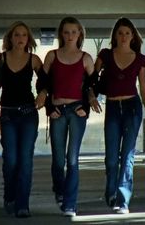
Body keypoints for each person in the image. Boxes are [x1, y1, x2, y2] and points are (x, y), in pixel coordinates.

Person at [94, 17, 145, 214]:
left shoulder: (139, 59)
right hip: (112, 108)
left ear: (132, 36)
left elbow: (144, 89)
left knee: (128, 155)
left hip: (132, 108)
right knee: (112, 157)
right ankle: (111, 191)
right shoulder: (105, 55)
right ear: (115, 35)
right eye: (120, 33)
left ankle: (123, 200)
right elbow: (91, 80)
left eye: (127, 33)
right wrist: (89, 96)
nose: (123, 36)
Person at [0, 21, 47, 218]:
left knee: (25, 160)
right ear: (10, 39)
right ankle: (9, 196)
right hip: (8, 115)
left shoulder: (34, 59)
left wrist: (43, 93)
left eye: (23, 35)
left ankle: (23, 205)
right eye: (16, 35)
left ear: (28, 38)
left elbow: (46, 82)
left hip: (29, 114)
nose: (20, 38)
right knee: (11, 160)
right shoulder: (1, 58)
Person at [43, 16, 101, 217]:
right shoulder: (51, 56)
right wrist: (49, 107)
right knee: (58, 160)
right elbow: (42, 84)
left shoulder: (86, 58)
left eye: (73, 32)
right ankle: (59, 190)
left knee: (72, 159)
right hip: (57, 111)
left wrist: (87, 104)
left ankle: (70, 204)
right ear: (61, 34)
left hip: (77, 112)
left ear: (80, 34)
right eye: (66, 32)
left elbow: (93, 85)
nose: (70, 36)